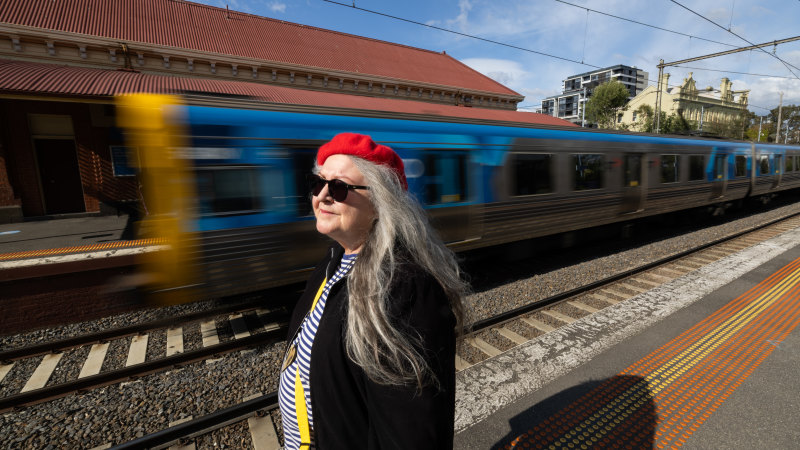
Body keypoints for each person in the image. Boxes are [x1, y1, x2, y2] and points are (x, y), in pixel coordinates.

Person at [278, 133, 469, 449]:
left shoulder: (404, 290)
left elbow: (409, 435)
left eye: (338, 188)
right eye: (318, 183)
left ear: (382, 203)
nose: (322, 195)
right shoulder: (331, 264)